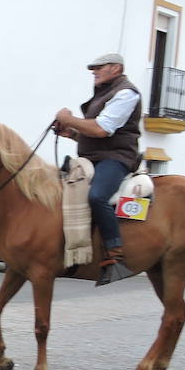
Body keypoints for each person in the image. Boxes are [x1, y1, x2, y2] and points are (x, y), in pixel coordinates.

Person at [54, 52, 142, 285]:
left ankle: (115, 253)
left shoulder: (126, 93)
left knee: (97, 196)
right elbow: (93, 135)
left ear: (116, 68)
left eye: (99, 67)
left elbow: (102, 129)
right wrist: (71, 133)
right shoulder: (104, 94)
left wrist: (69, 119)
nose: (94, 71)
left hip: (116, 159)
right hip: (93, 159)